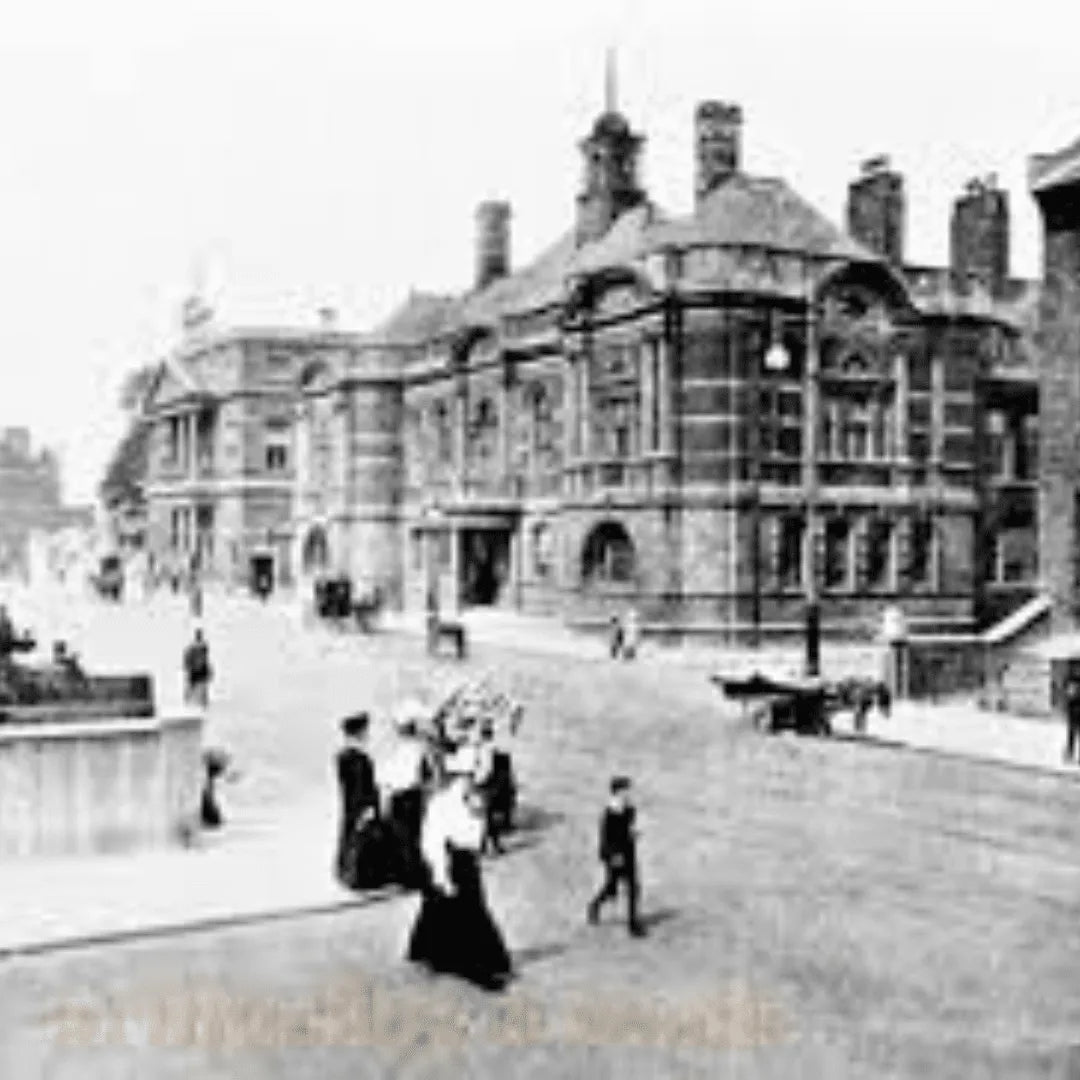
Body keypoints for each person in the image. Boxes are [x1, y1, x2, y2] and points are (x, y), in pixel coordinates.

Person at [406, 750, 514, 991]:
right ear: (454, 777)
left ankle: (433, 953)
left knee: (441, 910)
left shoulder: (473, 802)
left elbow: (476, 837)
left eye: (471, 776)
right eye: (464, 776)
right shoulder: (441, 804)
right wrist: (442, 875)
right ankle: (479, 968)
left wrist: (478, 815)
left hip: (467, 861)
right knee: (470, 913)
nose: (469, 781)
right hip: (449, 861)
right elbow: (433, 842)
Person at [381, 700, 432, 886]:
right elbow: (426, 774)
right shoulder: (419, 747)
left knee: (404, 837)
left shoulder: (404, 749)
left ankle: (409, 876)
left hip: (404, 796)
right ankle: (412, 874)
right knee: (410, 836)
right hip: (411, 795)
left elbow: (391, 777)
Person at [587, 775, 645, 937]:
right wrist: (613, 856)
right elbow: (605, 839)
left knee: (633, 888)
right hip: (614, 856)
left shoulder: (630, 810)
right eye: (626, 790)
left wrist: (633, 834)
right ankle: (594, 906)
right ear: (618, 792)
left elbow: (629, 828)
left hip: (628, 853)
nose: (629, 793)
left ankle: (633, 924)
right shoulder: (609, 813)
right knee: (611, 888)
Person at [335, 712, 386, 889]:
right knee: (363, 841)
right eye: (365, 731)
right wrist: (366, 809)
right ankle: (360, 877)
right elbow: (361, 787)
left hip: (350, 805)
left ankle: (347, 874)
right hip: (362, 806)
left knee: (350, 837)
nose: (367, 735)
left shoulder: (343, 756)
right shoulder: (359, 759)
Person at [182, 628, 213, 708]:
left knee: (201, 687)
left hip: (200, 670)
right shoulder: (193, 647)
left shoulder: (202, 647)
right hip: (195, 670)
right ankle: (189, 702)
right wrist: (187, 666)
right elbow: (188, 658)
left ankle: (201, 703)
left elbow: (205, 659)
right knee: (192, 687)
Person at [1064, 675, 1080, 765]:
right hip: (1073, 709)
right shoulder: (1072, 679)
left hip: (1073, 709)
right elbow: (1069, 694)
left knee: (1072, 733)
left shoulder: (1071, 679)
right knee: (1072, 733)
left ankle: (1069, 753)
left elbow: (1069, 694)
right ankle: (1069, 753)